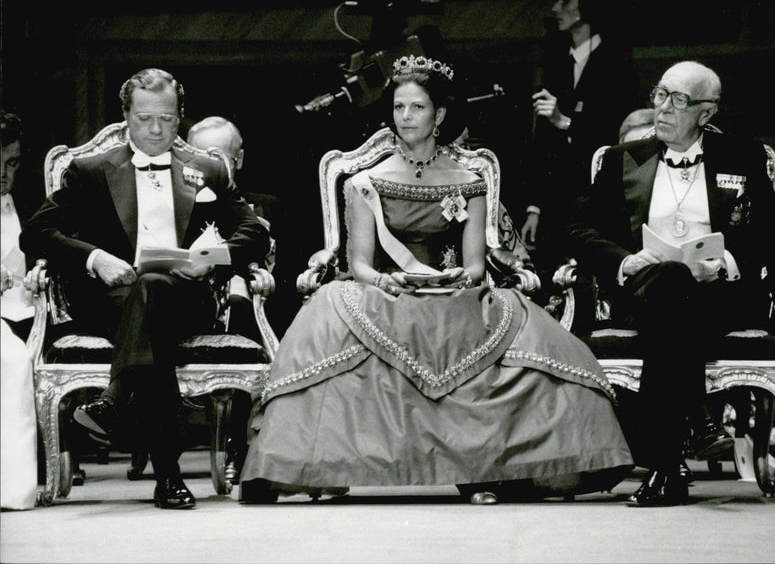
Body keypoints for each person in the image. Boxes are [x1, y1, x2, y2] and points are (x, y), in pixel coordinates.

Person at [239, 54, 633, 505]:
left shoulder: (469, 180)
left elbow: (475, 267)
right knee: (329, 310)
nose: (406, 117)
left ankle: (489, 468)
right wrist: (386, 283)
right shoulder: (365, 181)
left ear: (439, 115)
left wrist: (454, 278)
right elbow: (361, 263)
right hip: (383, 292)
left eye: (417, 108)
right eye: (399, 107)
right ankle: (329, 466)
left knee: (519, 325)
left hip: (451, 293)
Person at [20, 68, 270, 509]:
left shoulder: (208, 169)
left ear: (179, 118)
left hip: (188, 299)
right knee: (149, 300)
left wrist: (206, 259)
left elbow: (253, 232)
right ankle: (168, 477)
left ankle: (114, 399)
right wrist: (95, 257)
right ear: (126, 117)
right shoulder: (91, 170)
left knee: (154, 288)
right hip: (110, 300)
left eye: (167, 120)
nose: (156, 130)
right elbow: (38, 233)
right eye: (144, 119)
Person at [567, 61, 775, 506]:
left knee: (675, 288)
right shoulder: (620, 159)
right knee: (668, 279)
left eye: (679, 100)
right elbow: (579, 230)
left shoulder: (744, 157)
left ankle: (666, 464)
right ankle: (698, 421)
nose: (663, 108)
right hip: (642, 293)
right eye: (661, 94)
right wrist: (627, 260)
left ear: (706, 113)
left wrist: (724, 262)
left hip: (720, 298)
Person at [519, 0, 636, 279]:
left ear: (586, 6)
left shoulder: (616, 62)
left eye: (565, 0)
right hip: (556, 201)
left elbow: (617, 134)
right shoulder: (556, 61)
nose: (555, 8)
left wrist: (566, 122)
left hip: (596, 199)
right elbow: (542, 142)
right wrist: (534, 208)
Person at [186, 116, 268, 485]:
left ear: (239, 159)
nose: (211, 165)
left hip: (247, 305)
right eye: (199, 156)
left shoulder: (261, 208)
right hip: (187, 301)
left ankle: (240, 445)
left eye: (219, 156)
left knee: (242, 307)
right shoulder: (179, 204)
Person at [1, 112, 37, 511]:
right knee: (9, 360)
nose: (3, 174)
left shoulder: (26, 200)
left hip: (27, 311)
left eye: (11, 163)